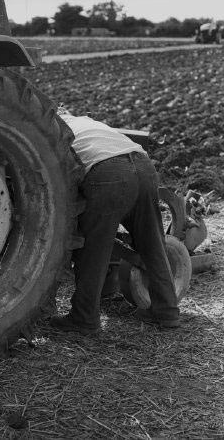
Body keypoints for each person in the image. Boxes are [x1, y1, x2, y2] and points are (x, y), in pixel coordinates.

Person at [50, 108, 180, 335]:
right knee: (153, 244)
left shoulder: (50, 126)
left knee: (93, 249)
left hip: (109, 173)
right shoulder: (85, 120)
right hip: (143, 164)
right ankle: (167, 311)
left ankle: (84, 317)